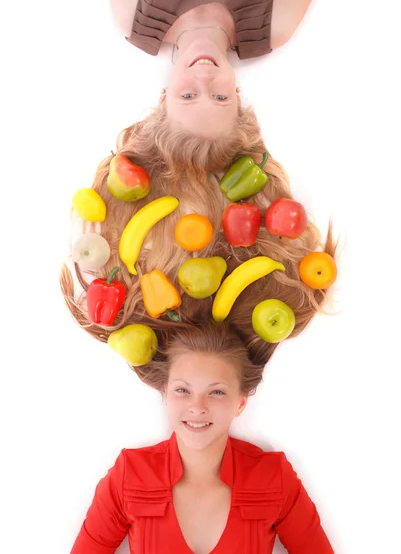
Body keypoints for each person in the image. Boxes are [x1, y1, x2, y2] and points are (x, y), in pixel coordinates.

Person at [61, 106, 337, 552]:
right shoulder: (129, 476)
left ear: (241, 403)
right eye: (184, 390)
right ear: (166, 395)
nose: (197, 407)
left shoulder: (274, 477)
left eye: (217, 392)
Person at [97, 0, 337, 138]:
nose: (203, 77)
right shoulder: (274, 24)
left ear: (164, 99)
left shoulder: (137, 18)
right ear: (237, 97)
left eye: (188, 95)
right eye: (220, 97)